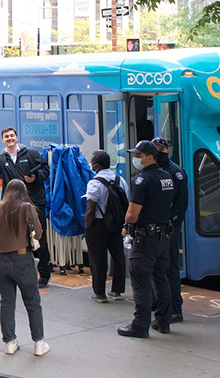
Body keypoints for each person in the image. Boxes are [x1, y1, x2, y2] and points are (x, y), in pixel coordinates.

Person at [0, 180, 49, 356]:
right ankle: (38, 343)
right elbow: (39, 232)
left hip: (0, 260)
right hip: (22, 259)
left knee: (6, 302)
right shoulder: (27, 208)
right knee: (32, 302)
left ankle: (10, 343)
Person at [118, 140, 174, 339]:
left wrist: (126, 226)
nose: (135, 159)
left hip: (145, 239)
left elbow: (132, 213)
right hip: (163, 237)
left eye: (138, 156)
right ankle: (163, 321)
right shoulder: (167, 177)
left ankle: (140, 325)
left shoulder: (143, 180)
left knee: (140, 280)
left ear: (149, 157)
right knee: (161, 279)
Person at [0, 128, 52, 288]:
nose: (10, 139)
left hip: (35, 202)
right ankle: (23, 272)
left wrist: (35, 178)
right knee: (18, 239)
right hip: (13, 205)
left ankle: (44, 274)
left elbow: (46, 170)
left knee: (39, 238)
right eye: (6, 137)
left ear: (16, 137)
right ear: (3, 140)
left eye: (12, 136)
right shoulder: (2, 158)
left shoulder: (30, 153)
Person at [151, 137, 190, 323]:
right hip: (157, 227)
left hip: (168, 228)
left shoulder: (175, 173)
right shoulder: (156, 171)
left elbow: (180, 205)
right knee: (156, 268)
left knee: (169, 269)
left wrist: (171, 225)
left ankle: (175, 308)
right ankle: (159, 304)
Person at [83, 150, 129, 303]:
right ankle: (116, 290)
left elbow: (91, 208)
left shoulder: (95, 183)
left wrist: (87, 226)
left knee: (98, 258)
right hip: (116, 223)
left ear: (96, 166)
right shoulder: (120, 180)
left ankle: (100, 293)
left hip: (98, 224)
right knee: (118, 255)